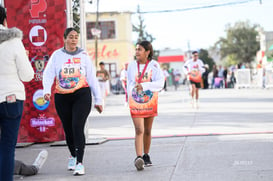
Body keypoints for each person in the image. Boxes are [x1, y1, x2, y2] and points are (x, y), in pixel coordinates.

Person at [42, 27, 103, 176]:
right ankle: (73, 155)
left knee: (77, 126)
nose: (74, 39)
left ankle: (80, 162)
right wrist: (46, 91)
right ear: (64, 39)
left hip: (81, 95)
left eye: (76, 37)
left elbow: (92, 78)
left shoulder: (83, 55)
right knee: (68, 129)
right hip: (62, 96)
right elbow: (48, 74)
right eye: (71, 36)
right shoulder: (57, 55)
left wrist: (98, 99)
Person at [0, 5, 34, 181]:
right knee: (7, 146)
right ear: (5, 20)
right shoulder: (13, 41)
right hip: (10, 99)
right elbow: (28, 75)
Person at [127, 41, 164, 171]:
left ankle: (146, 155)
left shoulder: (154, 65)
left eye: (140, 49)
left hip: (150, 101)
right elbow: (129, 83)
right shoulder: (132, 65)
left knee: (147, 130)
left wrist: (145, 85)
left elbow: (160, 83)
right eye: (136, 49)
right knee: (139, 130)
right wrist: (128, 98)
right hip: (135, 101)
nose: (136, 52)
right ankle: (138, 158)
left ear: (147, 52)